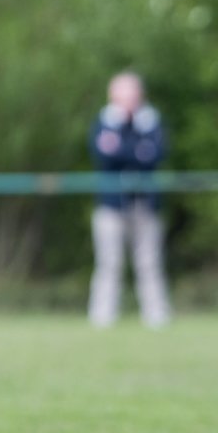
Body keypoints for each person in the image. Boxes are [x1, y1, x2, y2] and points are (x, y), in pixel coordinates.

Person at [88, 71, 170, 329]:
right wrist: (136, 151)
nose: (129, 99)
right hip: (111, 206)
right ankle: (102, 317)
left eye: (133, 93)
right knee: (108, 264)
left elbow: (154, 155)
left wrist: (123, 149)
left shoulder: (151, 121)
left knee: (150, 263)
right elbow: (103, 155)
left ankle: (157, 317)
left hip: (146, 204)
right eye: (123, 94)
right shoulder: (104, 122)